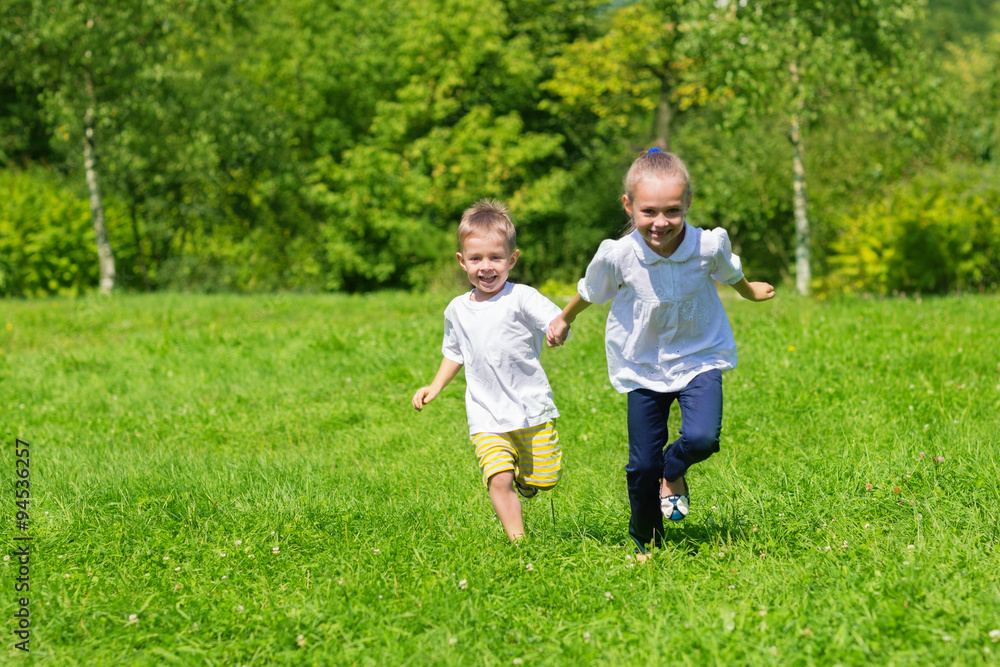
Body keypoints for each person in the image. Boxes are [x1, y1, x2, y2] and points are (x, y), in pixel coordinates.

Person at [546, 148, 774, 558]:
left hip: (699, 354)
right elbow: (590, 291)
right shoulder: (618, 255)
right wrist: (565, 319)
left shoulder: (706, 245)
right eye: (649, 211)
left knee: (703, 438)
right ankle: (646, 540)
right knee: (642, 466)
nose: (661, 222)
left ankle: (676, 468)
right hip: (643, 361)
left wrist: (750, 291)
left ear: (687, 204)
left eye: (672, 210)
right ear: (629, 205)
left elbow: (731, 272)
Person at [412, 199, 566, 542]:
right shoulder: (457, 309)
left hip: (529, 408)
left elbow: (555, 320)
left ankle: (528, 480)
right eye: (476, 258)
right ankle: (519, 541)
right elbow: (455, 352)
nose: (486, 267)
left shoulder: (521, 297)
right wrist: (435, 387)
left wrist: (558, 330)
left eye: (496, 258)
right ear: (462, 261)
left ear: (511, 259)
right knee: (499, 478)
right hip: (484, 413)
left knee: (546, 478)